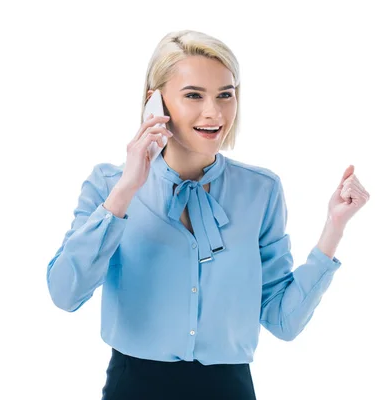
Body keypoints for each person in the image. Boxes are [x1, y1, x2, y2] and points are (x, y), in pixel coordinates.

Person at [46, 29, 369, 400]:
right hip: (133, 385)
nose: (214, 112)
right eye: (193, 95)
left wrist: (334, 228)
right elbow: (65, 293)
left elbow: (283, 320)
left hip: (229, 388)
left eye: (225, 95)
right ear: (156, 102)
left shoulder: (260, 190)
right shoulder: (109, 185)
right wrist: (125, 192)